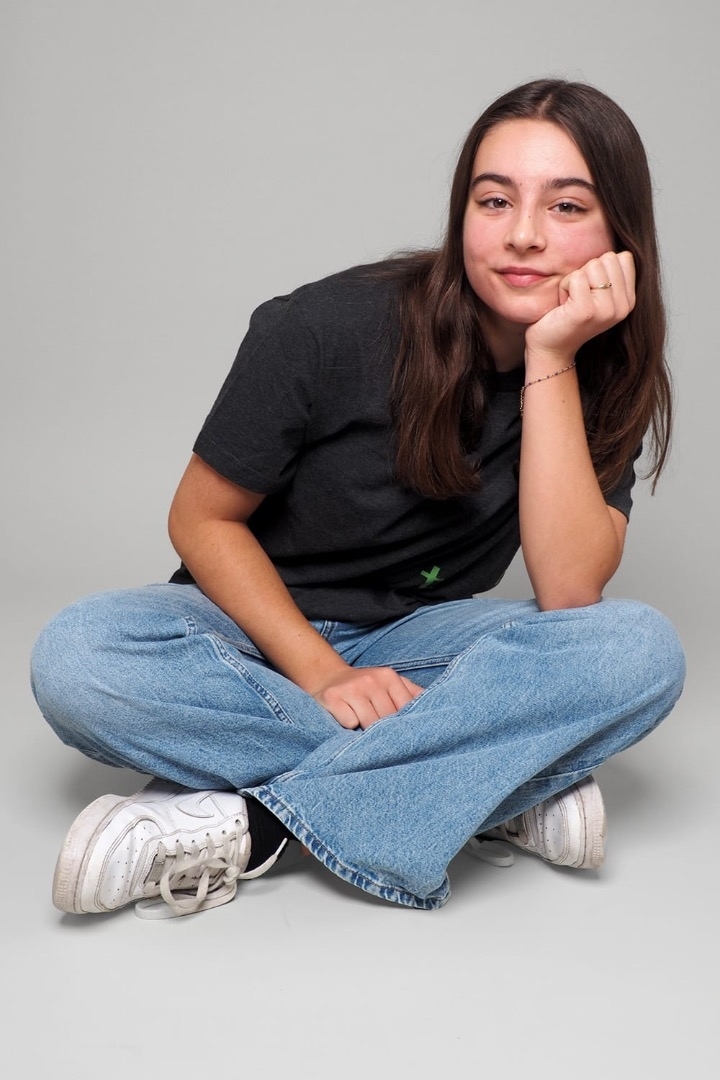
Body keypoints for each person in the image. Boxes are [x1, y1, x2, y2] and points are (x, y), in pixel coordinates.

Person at [31, 78, 685, 921]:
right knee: (80, 657)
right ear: (462, 214)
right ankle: (489, 788)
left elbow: (567, 591)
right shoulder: (326, 326)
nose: (523, 234)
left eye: (566, 207)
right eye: (494, 200)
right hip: (253, 637)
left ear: (619, 233)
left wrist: (550, 355)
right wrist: (324, 673)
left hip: (418, 646)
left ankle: (253, 824)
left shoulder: (601, 367)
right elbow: (200, 519)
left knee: (636, 649)